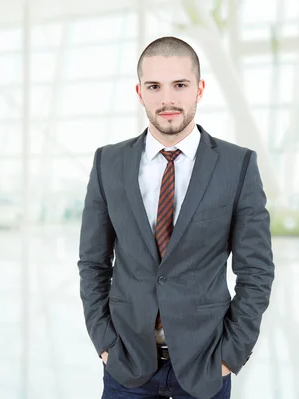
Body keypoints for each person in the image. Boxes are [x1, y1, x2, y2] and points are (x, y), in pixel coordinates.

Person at [77, 36, 275, 399]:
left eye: (180, 85)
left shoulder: (238, 165)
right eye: (154, 86)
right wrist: (105, 344)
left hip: (206, 367)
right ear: (140, 92)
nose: (167, 99)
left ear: (199, 89)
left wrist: (230, 356)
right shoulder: (108, 163)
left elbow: (256, 270)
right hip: (126, 367)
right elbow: (92, 262)